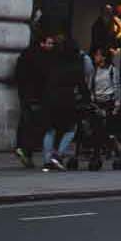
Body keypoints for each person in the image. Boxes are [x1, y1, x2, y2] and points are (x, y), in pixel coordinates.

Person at [40, 37, 87, 171]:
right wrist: (86, 99)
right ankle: (58, 155)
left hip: (49, 97)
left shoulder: (54, 60)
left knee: (50, 130)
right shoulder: (76, 64)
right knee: (71, 129)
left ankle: (47, 160)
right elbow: (82, 85)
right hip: (66, 99)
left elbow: (45, 77)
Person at [12, 28, 56, 168]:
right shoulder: (44, 58)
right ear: (41, 43)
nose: (51, 46)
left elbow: (19, 74)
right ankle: (26, 150)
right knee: (35, 124)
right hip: (37, 95)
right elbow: (45, 78)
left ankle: (22, 148)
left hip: (25, 94)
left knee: (25, 121)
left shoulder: (26, 54)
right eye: (49, 43)